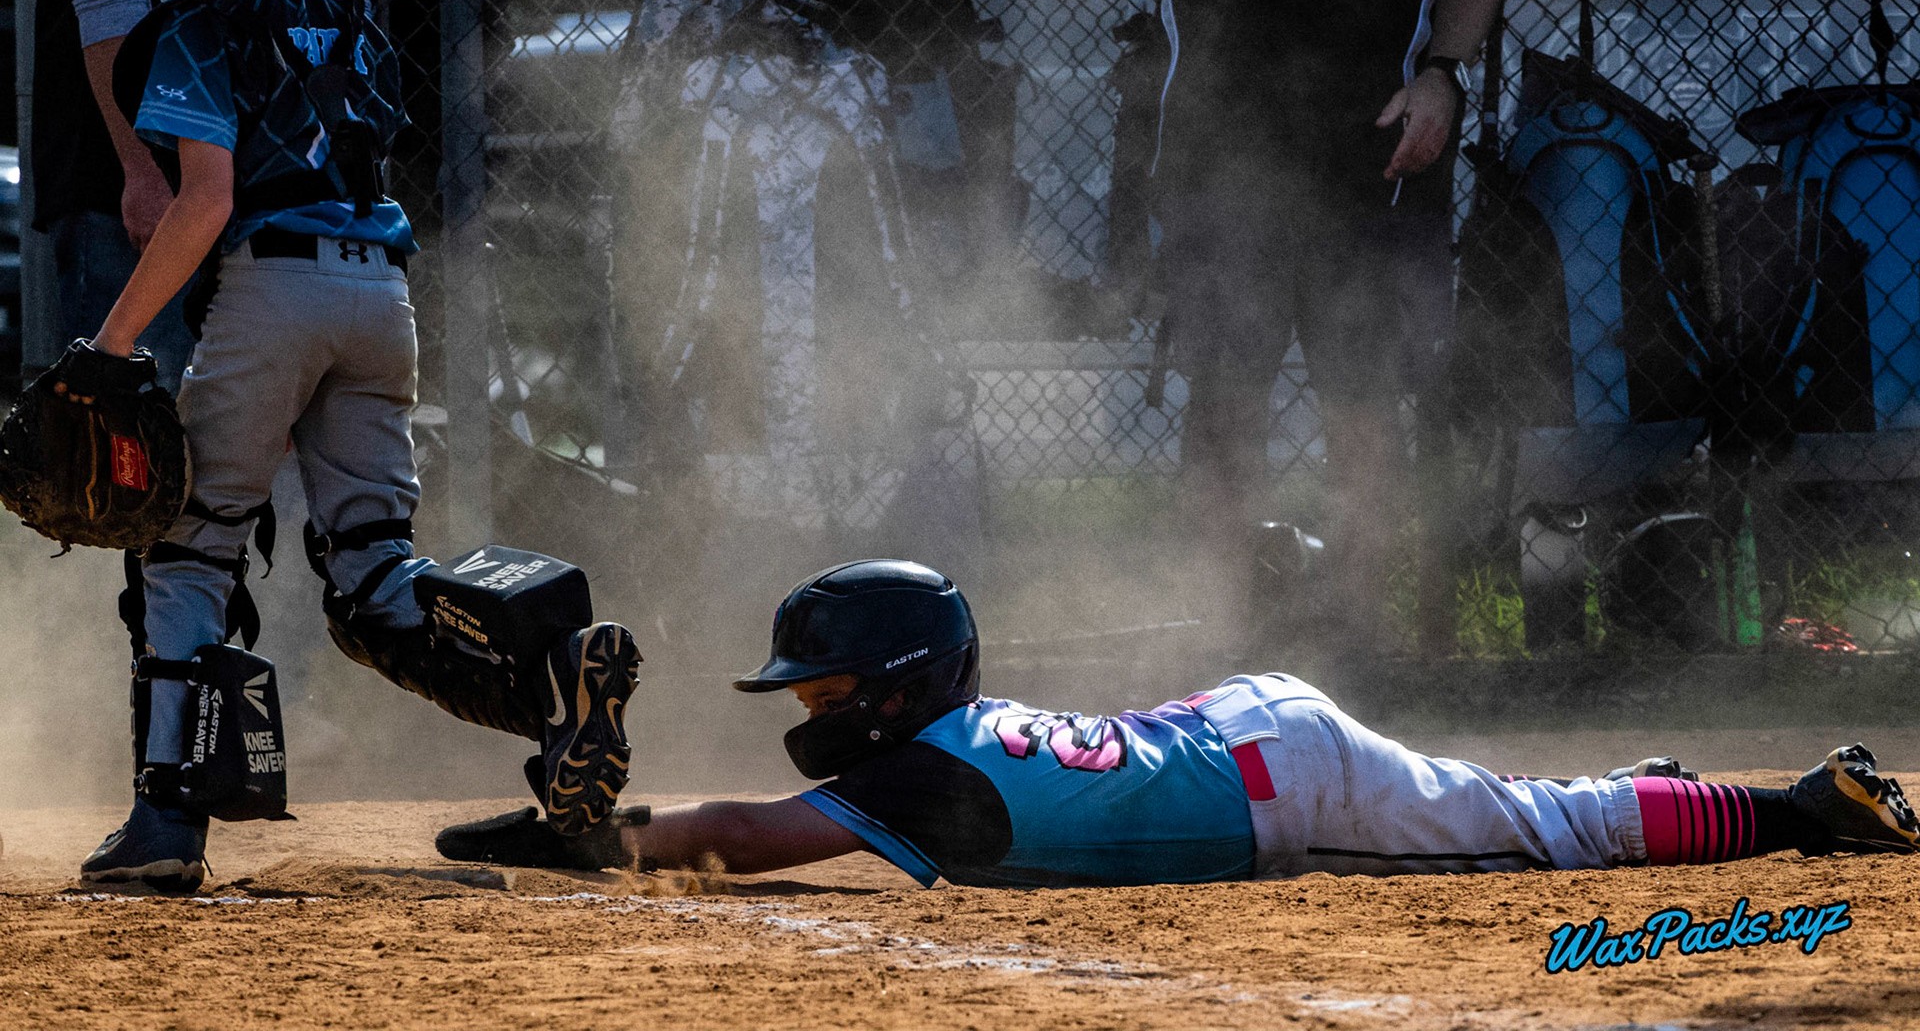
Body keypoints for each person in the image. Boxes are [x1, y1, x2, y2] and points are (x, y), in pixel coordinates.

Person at [74, 0, 641, 894]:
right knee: (374, 567)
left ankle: (166, 822)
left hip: (272, 288)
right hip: (381, 295)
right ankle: (551, 683)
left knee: (190, 542)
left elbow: (205, 202)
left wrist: (113, 340)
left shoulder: (196, 16)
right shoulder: (355, 10)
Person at [848, 0, 1529, 646]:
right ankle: (1222, 641)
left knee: (1363, 406)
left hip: (1378, 147)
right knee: (1224, 398)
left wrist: (1442, 74)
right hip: (1222, 147)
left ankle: (1365, 649)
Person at [438, 560, 1918, 885]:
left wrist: (586, 838)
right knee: (1488, 804)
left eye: (827, 689)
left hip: (1284, 771)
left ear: (894, 685)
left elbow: (740, 839)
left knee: (1531, 836)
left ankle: (1800, 807)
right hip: (1237, 727)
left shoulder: (931, 789)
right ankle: (1632, 789)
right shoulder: (935, 748)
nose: (815, 714)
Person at [33, 0, 364, 390]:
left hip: (279, 211)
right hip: (132, 190)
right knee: (131, 447)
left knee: (253, 457)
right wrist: (145, 170)